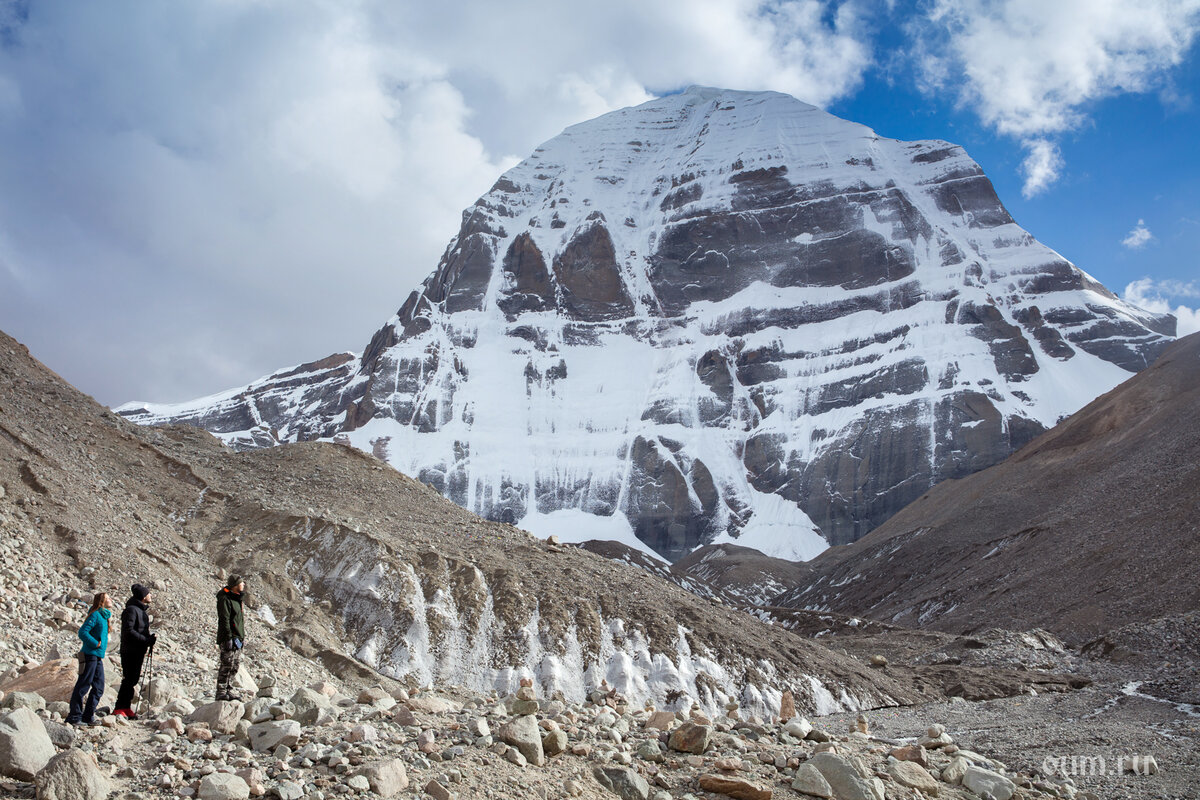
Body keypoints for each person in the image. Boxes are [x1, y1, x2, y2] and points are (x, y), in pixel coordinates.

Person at [67, 592, 113, 726]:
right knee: (83, 685)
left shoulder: (103, 616)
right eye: (108, 598)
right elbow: (82, 632)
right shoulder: (95, 615)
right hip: (89, 655)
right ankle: (74, 717)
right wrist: (95, 643)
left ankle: (88, 716)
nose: (111, 599)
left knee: (99, 687)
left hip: (97, 656)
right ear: (101, 601)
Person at [114, 583, 156, 719]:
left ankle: (125, 707)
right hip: (130, 650)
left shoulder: (140, 610)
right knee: (128, 679)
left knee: (133, 680)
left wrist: (149, 639)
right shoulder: (132, 610)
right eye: (148, 593)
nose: (150, 595)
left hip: (137, 649)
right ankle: (119, 707)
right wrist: (145, 640)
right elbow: (128, 631)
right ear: (143, 596)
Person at [215, 575, 246, 701]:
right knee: (226, 664)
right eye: (241, 583)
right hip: (228, 637)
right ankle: (221, 691)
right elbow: (225, 619)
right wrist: (228, 637)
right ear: (235, 585)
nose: (243, 584)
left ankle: (229, 689)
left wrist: (241, 637)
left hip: (237, 637)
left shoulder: (237, 599)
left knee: (235, 665)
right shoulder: (225, 599)